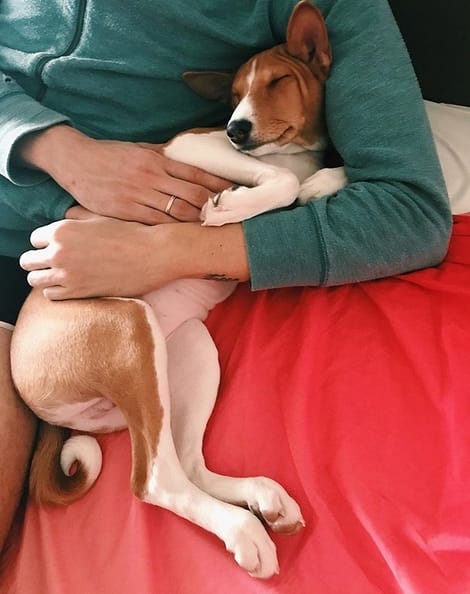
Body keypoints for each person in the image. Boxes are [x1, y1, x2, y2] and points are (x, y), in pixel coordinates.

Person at [0, 0, 451, 554]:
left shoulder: (320, 33)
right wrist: (62, 154)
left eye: (275, 85)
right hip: (56, 277)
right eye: (237, 98)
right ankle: (165, 482)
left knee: (190, 346)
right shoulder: (258, 164)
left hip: (94, 279)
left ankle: (195, 475)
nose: (243, 113)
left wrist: (165, 251)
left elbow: (407, 210)